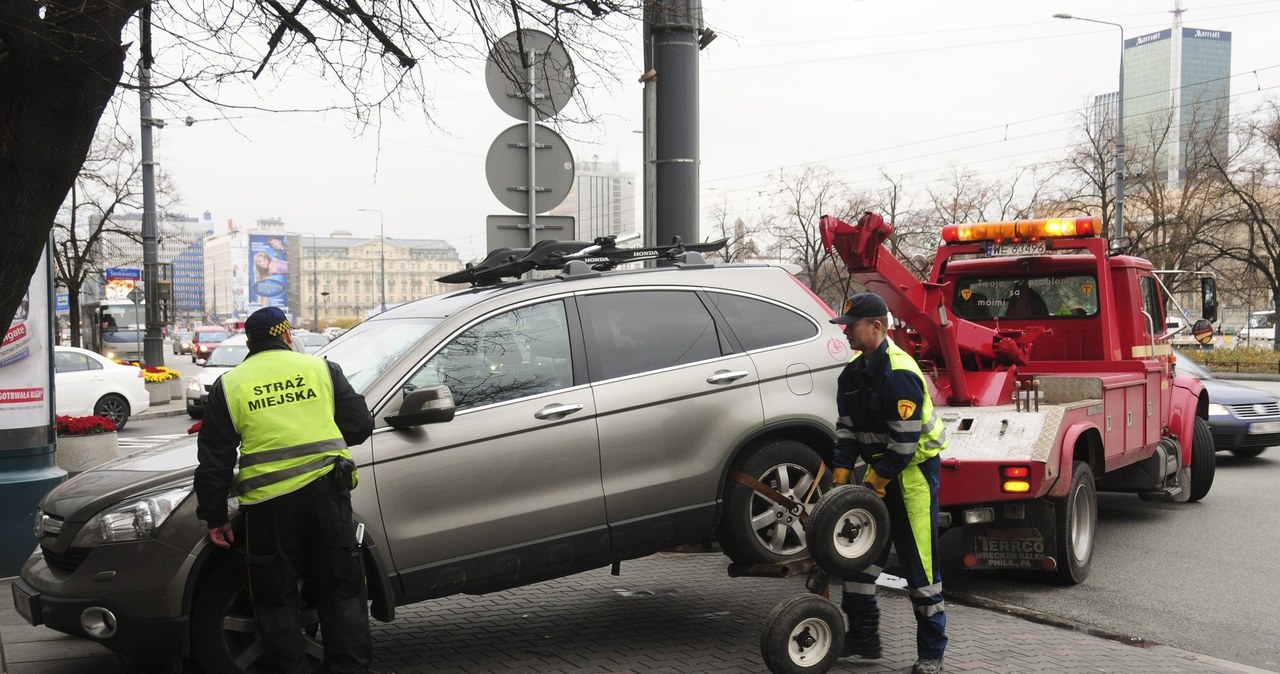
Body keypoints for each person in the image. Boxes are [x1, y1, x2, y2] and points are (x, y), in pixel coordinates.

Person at [194, 306, 375, 674]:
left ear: (249, 342)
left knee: (275, 600)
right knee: (341, 592)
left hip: (269, 510)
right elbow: (359, 426)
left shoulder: (231, 385)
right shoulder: (321, 369)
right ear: (288, 335)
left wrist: (214, 516)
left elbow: (215, 460)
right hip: (327, 498)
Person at [829, 292, 949, 674]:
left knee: (921, 573)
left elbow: (905, 442)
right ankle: (864, 643)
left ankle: (932, 654)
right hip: (875, 477)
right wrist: (841, 476)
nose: (846, 332)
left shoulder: (900, 372)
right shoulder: (851, 373)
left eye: (852, 325)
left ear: (877, 326)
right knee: (858, 563)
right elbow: (846, 431)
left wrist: (875, 482)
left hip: (911, 477)